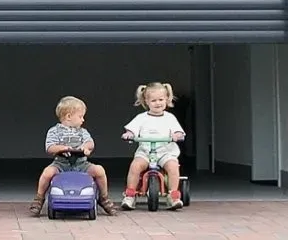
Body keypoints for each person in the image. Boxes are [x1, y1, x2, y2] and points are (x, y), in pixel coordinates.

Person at [28, 96, 117, 216]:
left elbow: (90, 143)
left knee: (99, 170)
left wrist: (86, 147)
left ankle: (103, 198)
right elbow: (49, 147)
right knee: (47, 172)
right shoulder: (54, 131)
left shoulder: (82, 132)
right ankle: (39, 199)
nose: (83, 120)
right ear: (69, 116)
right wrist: (62, 148)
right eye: (80, 116)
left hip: (81, 163)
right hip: (61, 163)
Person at [120, 82, 186, 210]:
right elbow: (132, 129)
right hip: (145, 151)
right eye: (154, 100)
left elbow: (178, 131)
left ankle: (173, 196)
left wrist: (177, 135)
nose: (158, 103)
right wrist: (129, 134)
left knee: (173, 166)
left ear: (167, 99)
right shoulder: (141, 118)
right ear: (146, 101)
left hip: (165, 152)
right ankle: (130, 195)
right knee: (135, 166)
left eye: (161, 99)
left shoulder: (169, 118)